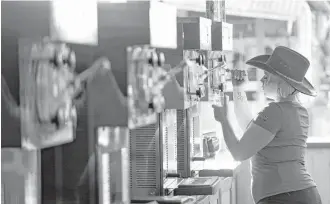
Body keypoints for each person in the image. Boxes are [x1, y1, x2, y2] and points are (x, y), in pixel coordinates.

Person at [212, 46, 322, 204]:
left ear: (282, 81)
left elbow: (239, 153)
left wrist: (223, 119)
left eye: (267, 76)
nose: (262, 80)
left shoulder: (276, 111)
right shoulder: (299, 111)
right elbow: (252, 130)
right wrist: (238, 88)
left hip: (283, 197)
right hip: (304, 195)